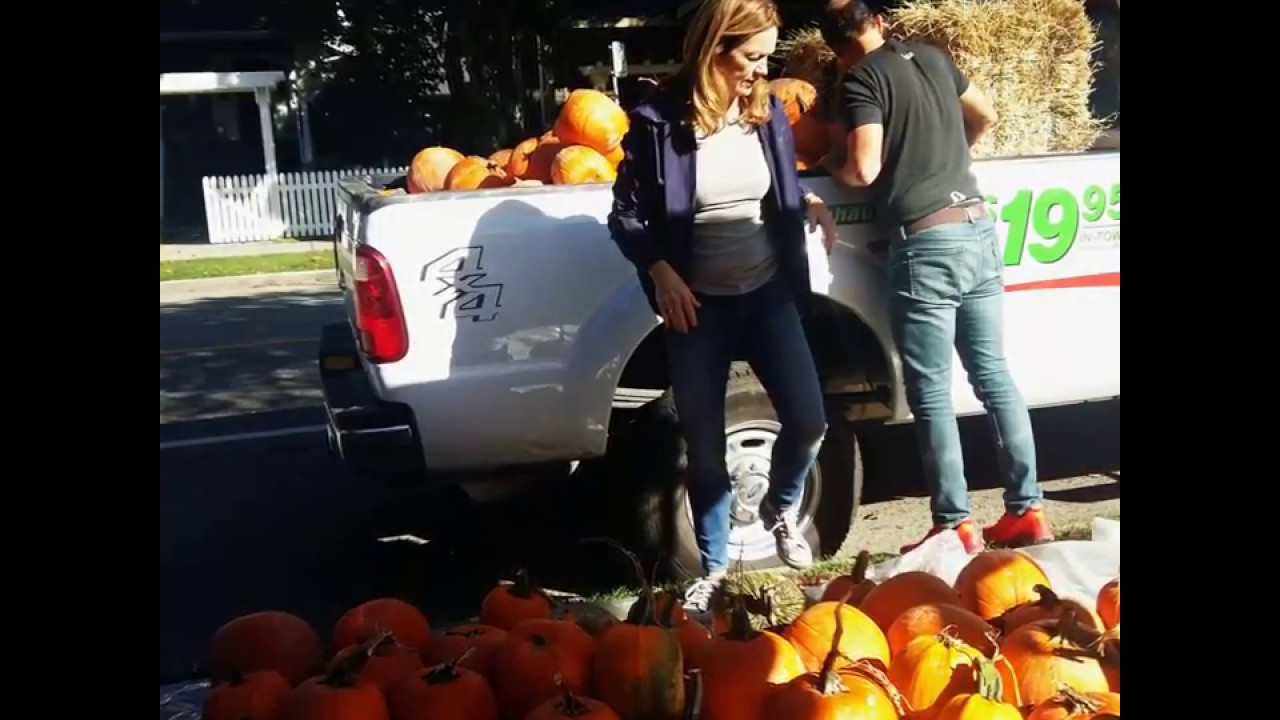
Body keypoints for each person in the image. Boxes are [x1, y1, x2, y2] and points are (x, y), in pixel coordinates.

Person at [606, 0, 840, 613]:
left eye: (767, 57)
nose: (761, 71)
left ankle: (781, 508)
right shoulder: (658, 120)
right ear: (714, 49)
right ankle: (713, 569)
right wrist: (660, 272)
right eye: (752, 56)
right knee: (705, 448)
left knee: (810, 419)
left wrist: (807, 204)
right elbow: (625, 214)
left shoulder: (764, 111)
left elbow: (779, 184)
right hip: (698, 307)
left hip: (767, 293)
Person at [818, 0, 1054, 554]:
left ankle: (954, 522)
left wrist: (829, 163)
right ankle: (1028, 509)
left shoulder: (859, 84)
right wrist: (949, 160)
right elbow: (986, 114)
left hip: (925, 241)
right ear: (878, 22)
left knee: (931, 391)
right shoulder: (931, 56)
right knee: (994, 375)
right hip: (975, 224)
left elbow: (864, 169)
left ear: (835, 49)